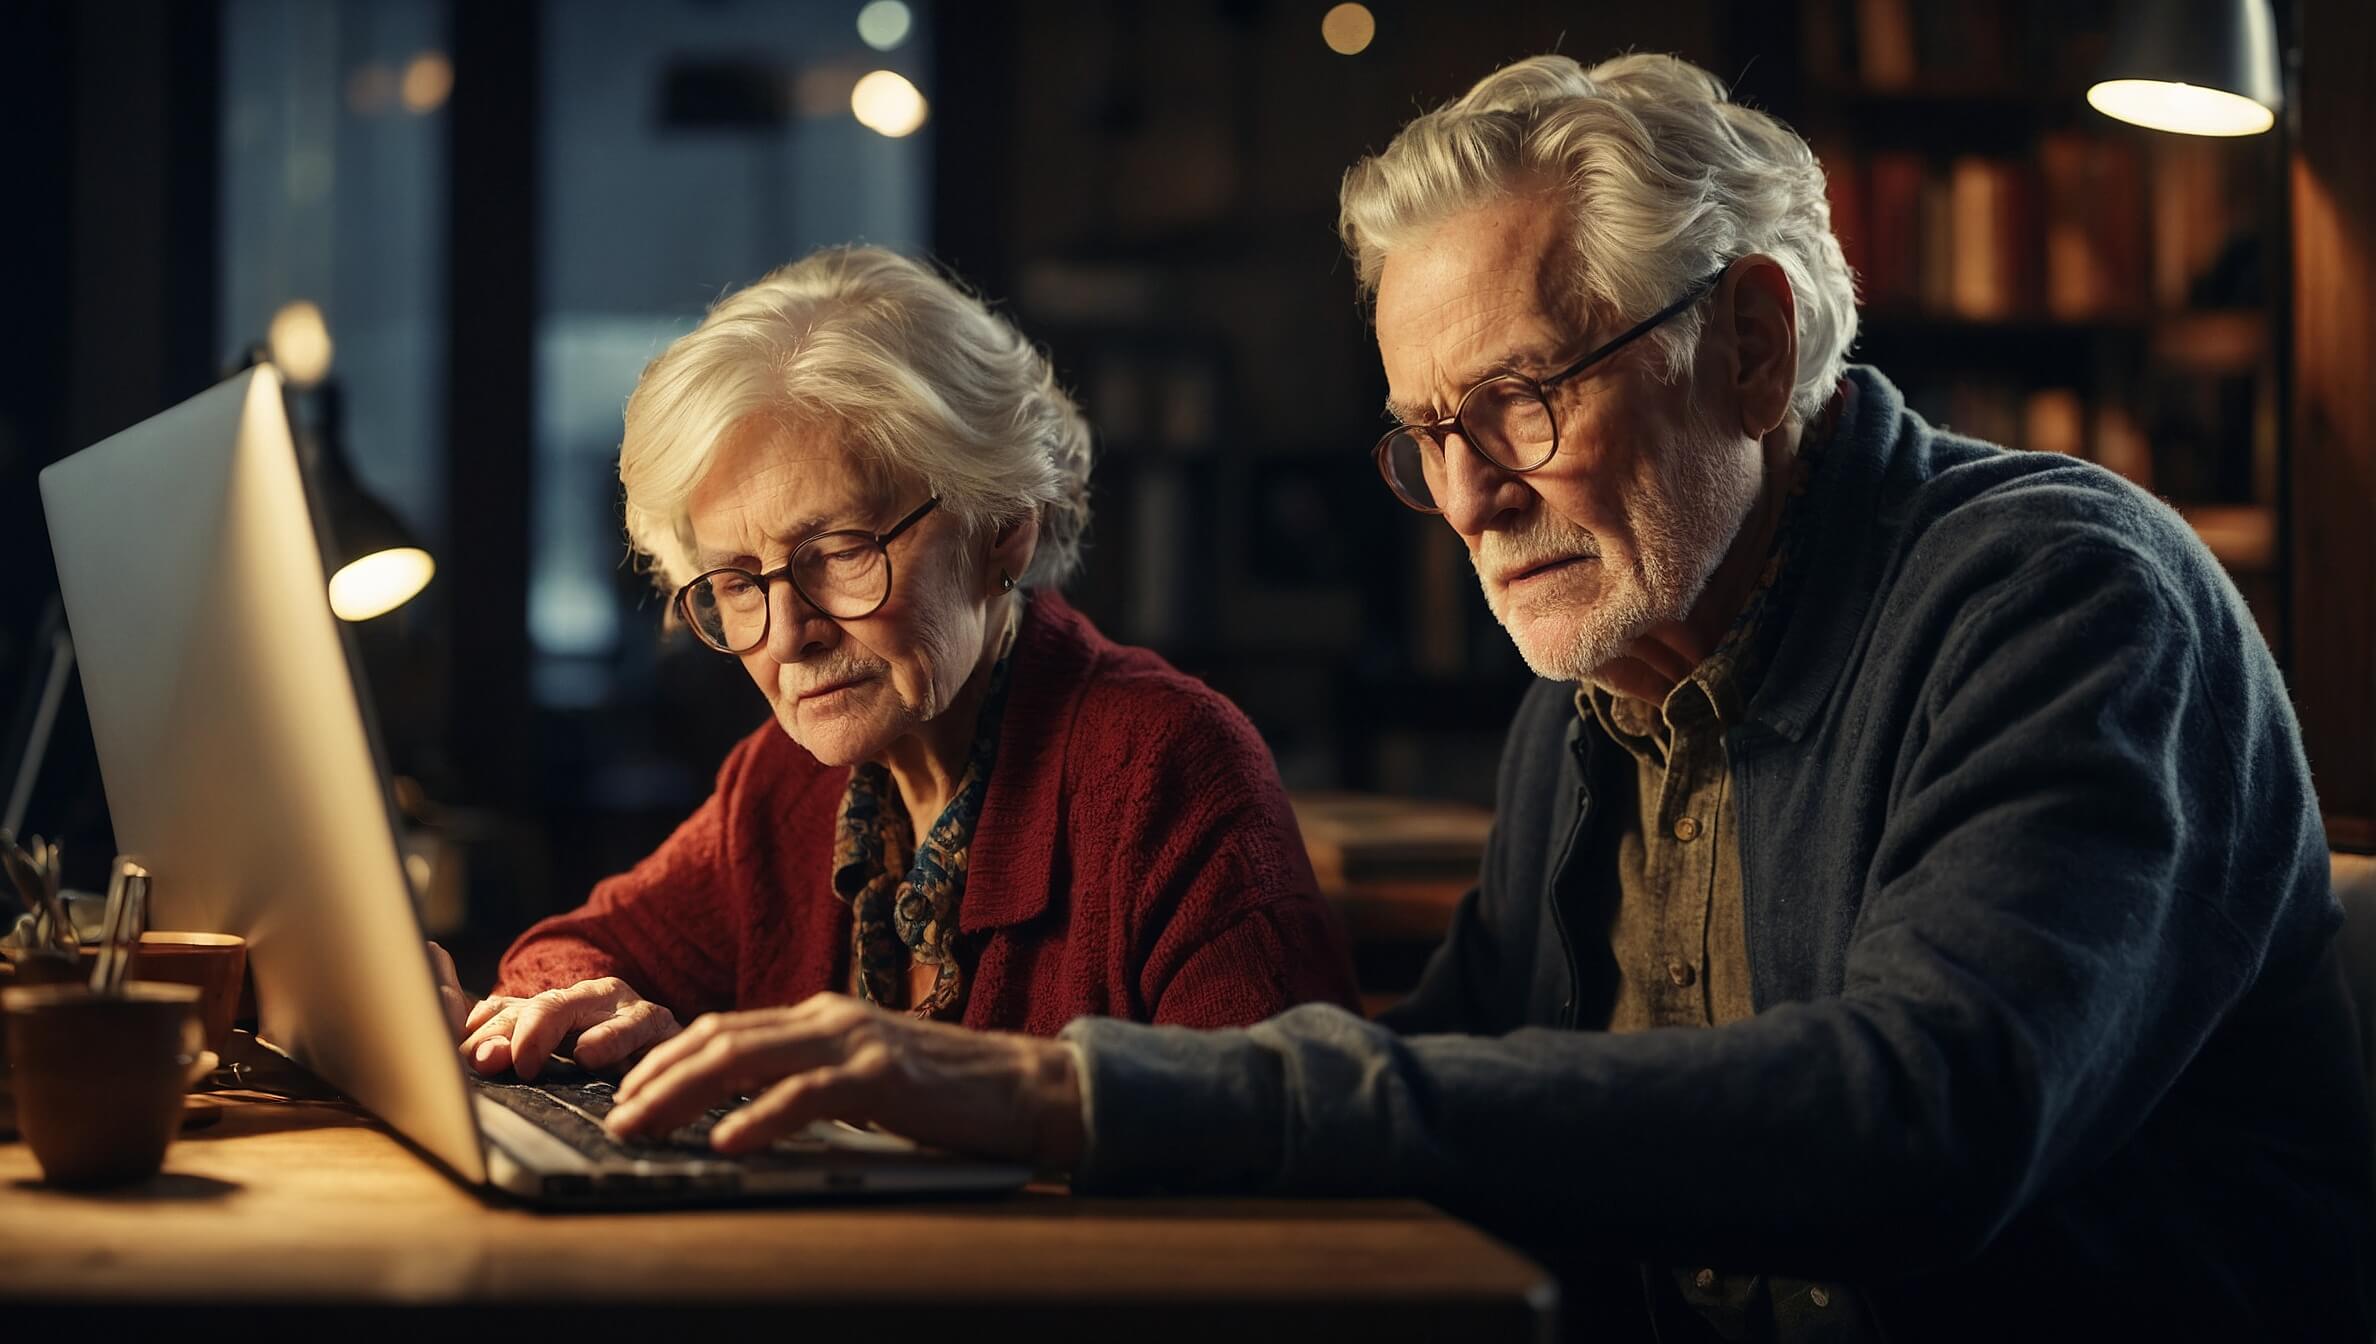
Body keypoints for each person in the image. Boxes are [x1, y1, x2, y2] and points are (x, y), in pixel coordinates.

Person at [596, 56, 2371, 1339]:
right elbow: (1439, 1083)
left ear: (1749, 342)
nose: (1465, 498)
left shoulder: (2067, 594)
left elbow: (1918, 1115)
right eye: (1425, 431)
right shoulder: (1600, 691)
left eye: (1520, 400)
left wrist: (1061, 1093)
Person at [436, 246, 1357, 1086]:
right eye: (734, 581)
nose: (788, 635)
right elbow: (572, 951)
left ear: (1004, 528)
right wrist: (578, 1007)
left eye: (836, 552)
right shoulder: (786, 786)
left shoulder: (1167, 765)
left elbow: (1288, 1140)